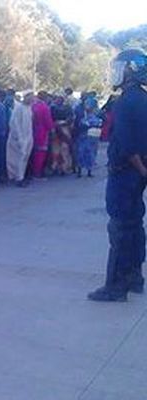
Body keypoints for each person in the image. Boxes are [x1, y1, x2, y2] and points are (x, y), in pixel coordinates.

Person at [88, 49, 147, 302]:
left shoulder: (125, 101)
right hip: (138, 173)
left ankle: (116, 286)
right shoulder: (143, 99)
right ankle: (135, 277)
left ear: (130, 70)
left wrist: (140, 167)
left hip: (125, 173)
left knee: (120, 228)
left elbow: (126, 143)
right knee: (135, 225)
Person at [7, 91, 34, 187]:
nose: (32, 99)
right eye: (30, 97)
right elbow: (14, 123)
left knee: (25, 158)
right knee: (18, 158)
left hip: (28, 136)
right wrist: (19, 138)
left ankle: (21, 176)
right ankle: (18, 178)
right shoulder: (18, 108)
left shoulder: (29, 108)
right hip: (19, 138)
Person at [75, 96, 103, 178]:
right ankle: (81, 171)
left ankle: (87, 171)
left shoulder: (97, 114)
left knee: (89, 153)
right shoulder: (81, 113)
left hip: (91, 136)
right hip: (84, 136)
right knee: (82, 153)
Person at [31, 91, 55, 179]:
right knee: (41, 153)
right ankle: (37, 172)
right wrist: (52, 129)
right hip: (42, 132)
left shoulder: (33, 105)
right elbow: (48, 121)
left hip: (33, 130)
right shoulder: (44, 107)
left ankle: (33, 171)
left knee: (34, 152)